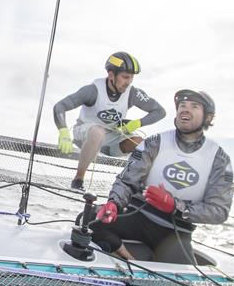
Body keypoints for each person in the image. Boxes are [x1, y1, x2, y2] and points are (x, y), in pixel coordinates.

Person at [91, 89, 234, 264]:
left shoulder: (219, 158)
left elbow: (219, 211)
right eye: (182, 105)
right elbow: (127, 181)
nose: (185, 109)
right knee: (90, 218)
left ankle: (125, 257)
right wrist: (114, 202)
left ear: (208, 118)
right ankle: (122, 254)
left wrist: (175, 206)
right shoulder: (154, 142)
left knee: (183, 281)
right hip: (138, 216)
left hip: (174, 231)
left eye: (194, 106)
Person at [53, 52, 166, 190]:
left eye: (131, 78)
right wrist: (63, 131)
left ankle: (134, 186)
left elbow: (160, 111)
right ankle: (78, 180)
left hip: (112, 138)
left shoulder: (132, 93)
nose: (128, 82)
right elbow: (60, 106)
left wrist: (137, 123)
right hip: (85, 135)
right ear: (111, 75)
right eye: (125, 77)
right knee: (97, 132)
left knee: (141, 143)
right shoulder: (93, 90)